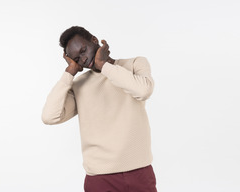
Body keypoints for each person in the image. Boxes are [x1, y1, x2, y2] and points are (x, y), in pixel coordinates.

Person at [41, 26, 157, 192]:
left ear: (94, 40)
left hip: (140, 171)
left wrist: (104, 66)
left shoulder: (134, 64)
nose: (82, 59)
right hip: (100, 178)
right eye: (76, 58)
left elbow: (144, 91)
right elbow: (49, 116)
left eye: (83, 50)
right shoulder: (79, 85)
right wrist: (69, 73)